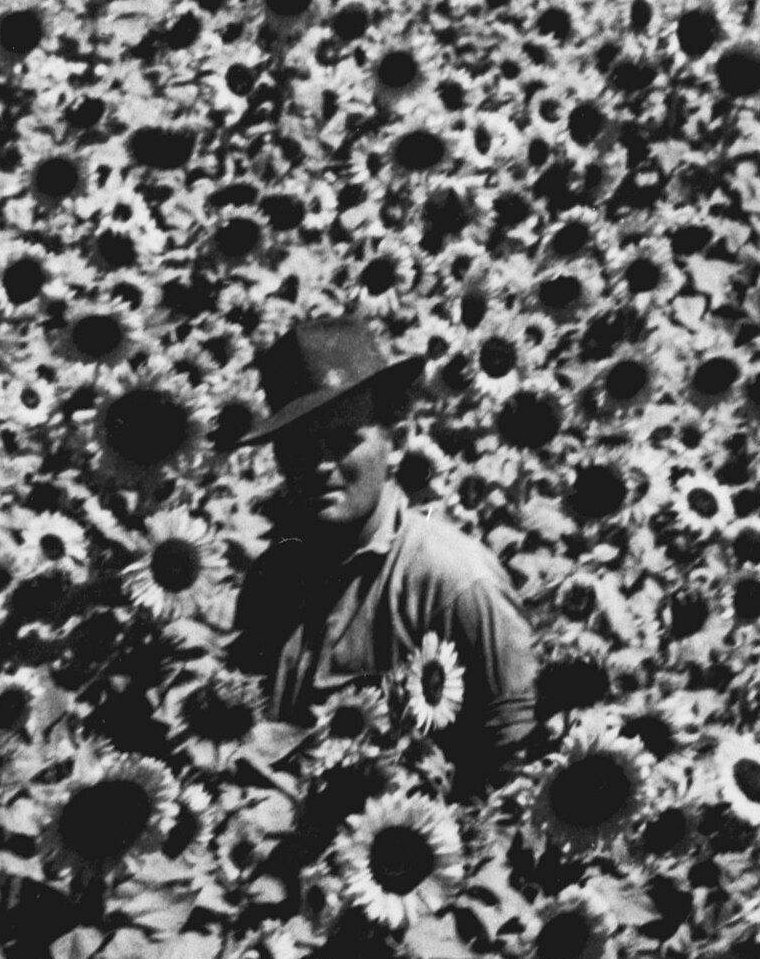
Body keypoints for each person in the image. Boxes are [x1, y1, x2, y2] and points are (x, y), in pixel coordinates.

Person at [225, 315, 537, 797]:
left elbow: (515, 767)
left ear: (397, 440)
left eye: (343, 440)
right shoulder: (271, 577)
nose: (320, 464)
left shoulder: (453, 582)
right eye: (299, 444)